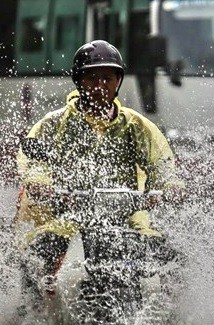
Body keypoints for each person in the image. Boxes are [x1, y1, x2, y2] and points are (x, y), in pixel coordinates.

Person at [15, 40, 185, 308]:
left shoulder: (136, 125)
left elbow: (162, 161)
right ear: (78, 81)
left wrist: (170, 185)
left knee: (171, 256)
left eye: (107, 78)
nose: (99, 85)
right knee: (38, 253)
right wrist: (40, 184)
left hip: (129, 215)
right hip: (69, 214)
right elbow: (35, 161)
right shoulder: (55, 123)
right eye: (92, 77)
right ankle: (39, 318)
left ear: (118, 81)